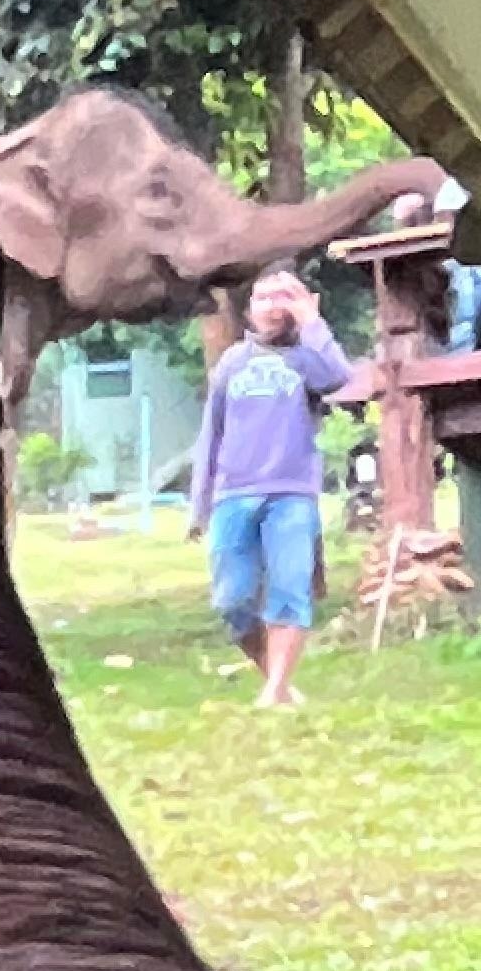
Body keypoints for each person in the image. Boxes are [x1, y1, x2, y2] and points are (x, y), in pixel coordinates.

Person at [186, 267, 350, 707]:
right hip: (233, 495)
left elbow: (338, 377)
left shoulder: (307, 358)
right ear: (249, 310)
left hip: (292, 493)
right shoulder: (231, 364)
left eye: (285, 296)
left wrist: (312, 320)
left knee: (289, 592)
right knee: (232, 600)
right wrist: (198, 504)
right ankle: (275, 681)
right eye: (264, 298)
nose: (274, 305)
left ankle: (276, 688)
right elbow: (211, 435)